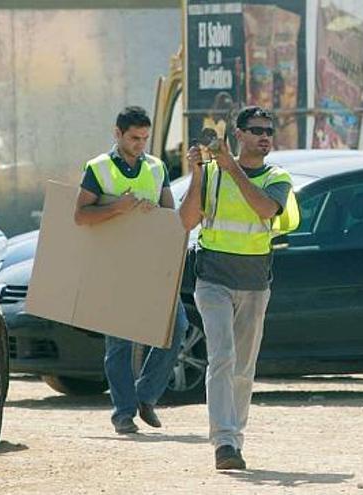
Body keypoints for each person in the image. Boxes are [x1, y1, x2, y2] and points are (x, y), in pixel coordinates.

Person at [178, 106, 297, 470]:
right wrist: (198, 174)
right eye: (256, 130)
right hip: (212, 279)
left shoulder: (277, 177)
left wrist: (233, 169)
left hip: (254, 283)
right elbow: (185, 220)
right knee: (222, 357)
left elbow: (265, 209)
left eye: (269, 131)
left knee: (243, 367)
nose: (264, 136)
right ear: (239, 134)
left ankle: (235, 437)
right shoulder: (213, 173)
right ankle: (224, 443)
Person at [73, 106, 187, 435]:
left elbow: (171, 216)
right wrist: (117, 207)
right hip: (114, 268)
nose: (140, 144)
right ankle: (123, 413)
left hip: (151, 266)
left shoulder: (157, 167)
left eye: (145, 138)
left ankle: (146, 395)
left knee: (176, 327)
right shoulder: (98, 168)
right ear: (118, 134)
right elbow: (81, 216)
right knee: (119, 344)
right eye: (134, 138)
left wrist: (155, 214)